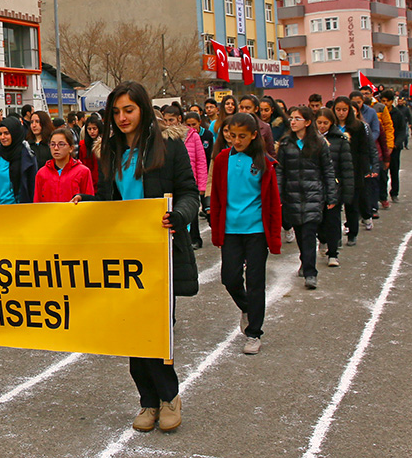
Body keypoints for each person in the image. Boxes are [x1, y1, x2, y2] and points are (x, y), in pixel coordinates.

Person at [74, 81, 198, 433]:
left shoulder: (170, 146)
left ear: (143, 108)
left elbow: (189, 193)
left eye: (128, 110)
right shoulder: (109, 151)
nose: (122, 117)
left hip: (160, 251)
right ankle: (148, 401)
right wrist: (87, 202)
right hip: (123, 254)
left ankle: (168, 397)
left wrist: (179, 216)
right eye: (116, 112)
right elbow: (108, 201)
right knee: (131, 330)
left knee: (156, 330)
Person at [209, 113, 281, 355]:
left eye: (242, 136)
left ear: (254, 136)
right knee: (229, 278)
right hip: (230, 229)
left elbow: (272, 201)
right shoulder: (222, 159)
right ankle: (247, 308)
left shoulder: (264, 162)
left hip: (256, 230)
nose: (237, 141)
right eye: (232, 135)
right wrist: (216, 228)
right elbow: (217, 196)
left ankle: (254, 333)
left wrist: (275, 235)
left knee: (255, 281)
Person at [276, 107, 337, 290]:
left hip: (313, 195)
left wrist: (331, 195)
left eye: (297, 118)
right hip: (292, 195)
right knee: (300, 233)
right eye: (291, 118)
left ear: (308, 122)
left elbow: (328, 170)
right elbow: (280, 171)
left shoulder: (319, 143)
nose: (293, 122)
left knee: (310, 232)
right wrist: (279, 194)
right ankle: (305, 259)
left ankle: (311, 273)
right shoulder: (286, 143)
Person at [334, 97, 380, 244]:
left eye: (344, 110)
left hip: (353, 171)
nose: (341, 113)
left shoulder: (358, 126)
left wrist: (364, 170)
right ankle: (335, 237)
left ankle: (352, 233)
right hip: (335, 170)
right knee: (334, 207)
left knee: (352, 205)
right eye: (338, 109)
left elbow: (363, 150)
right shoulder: (331, 126)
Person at [162, 106, 207, 249]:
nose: (168, 123)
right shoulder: (163, 138)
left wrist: (202, 185)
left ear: (179, 119)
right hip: (175, 181)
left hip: (191, 180)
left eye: (171, 120)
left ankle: (194, 238)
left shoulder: (192, 135)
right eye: (165, 120)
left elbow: (201, 161)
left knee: (191, 213)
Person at [314, 108, 354, 267]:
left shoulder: (341, 140)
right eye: (319, 122)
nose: (322, 126)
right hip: (314, 187)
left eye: (326, 123)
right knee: (318, 221)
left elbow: (347, 167)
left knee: (333, 220)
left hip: (334, 186)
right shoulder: (310, 140)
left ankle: (333, 253)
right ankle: (322, 239)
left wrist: (347, 191)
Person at [0, 116, 37, 204]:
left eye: (6, 133)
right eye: (0, 134)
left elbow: (32, 186)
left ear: (15, 133)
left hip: (21, 207)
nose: (3, 137)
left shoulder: (27, 156)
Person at [33, 127, 94, 203]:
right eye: (52, 144)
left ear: (71, 148)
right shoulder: (42, 173)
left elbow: (89, 201)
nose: (56, 148)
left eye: (61, 144)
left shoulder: (83, 171)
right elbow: (37, 202)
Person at [381, 90, 406, 204]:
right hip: (383, 147)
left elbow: (402, 131)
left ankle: (394, 193)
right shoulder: (379, 112)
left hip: (395, 147)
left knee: (394, 171)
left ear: (392, 101)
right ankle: (383, 195)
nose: (385, 103)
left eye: (387, 101)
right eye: (383, 101)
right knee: (383, 172)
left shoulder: (398, 114)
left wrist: (396, 144)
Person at [78, 116, 103, 192]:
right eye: (89, 129)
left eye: (94, 128)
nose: (92, 131)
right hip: (88, 182)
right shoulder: (82, 145)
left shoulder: (105, 144)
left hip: (102, 182)